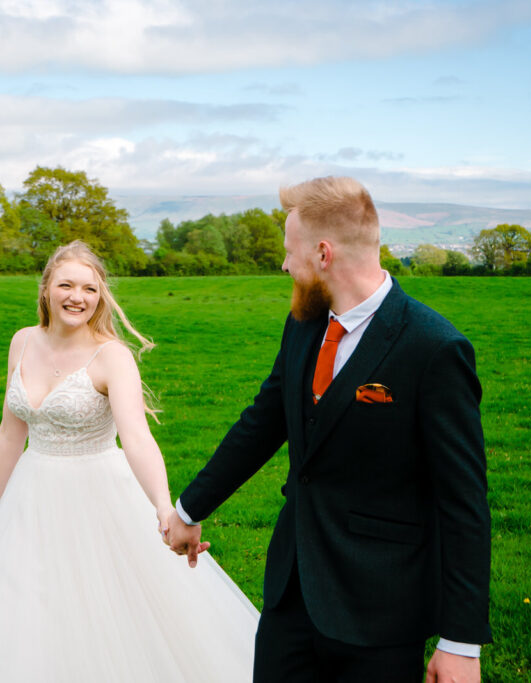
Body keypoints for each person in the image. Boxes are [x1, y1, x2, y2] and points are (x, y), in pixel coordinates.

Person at [164, 177, 492, 682]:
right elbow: (263, 422)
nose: (283, 265)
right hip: (291, 597)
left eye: (289, 251)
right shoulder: (303, 323)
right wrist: (189, 508)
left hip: (381, 609)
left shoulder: (434, 349)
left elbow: (463, 501)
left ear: (322, 253)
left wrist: (461, 642)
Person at [0, 241, 258, 682]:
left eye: (89, 288)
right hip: (30, 500)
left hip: (99, 495)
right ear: (46, 288)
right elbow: (10, 434)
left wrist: (165, 508)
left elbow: (138, 439)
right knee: (21, 611)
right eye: (65, 284)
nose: (77, 297)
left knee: (109, 610)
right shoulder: (22, 342)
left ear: (100, 295)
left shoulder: (111, 356)